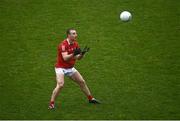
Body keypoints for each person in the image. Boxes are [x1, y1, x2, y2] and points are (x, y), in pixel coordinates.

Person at [49, 28, 100, 109]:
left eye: (75, 33)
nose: (76, 35)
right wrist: (73, 54)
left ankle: (91, 98)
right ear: (68, 35)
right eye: (73, 33)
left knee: (82, 81)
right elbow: (65, 58)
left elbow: (78, 58)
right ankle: (51, 103)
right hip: (60, 68)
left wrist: (82, 54)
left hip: (70, 68)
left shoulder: (75, 44)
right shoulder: (63, 45)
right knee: (60, 85)